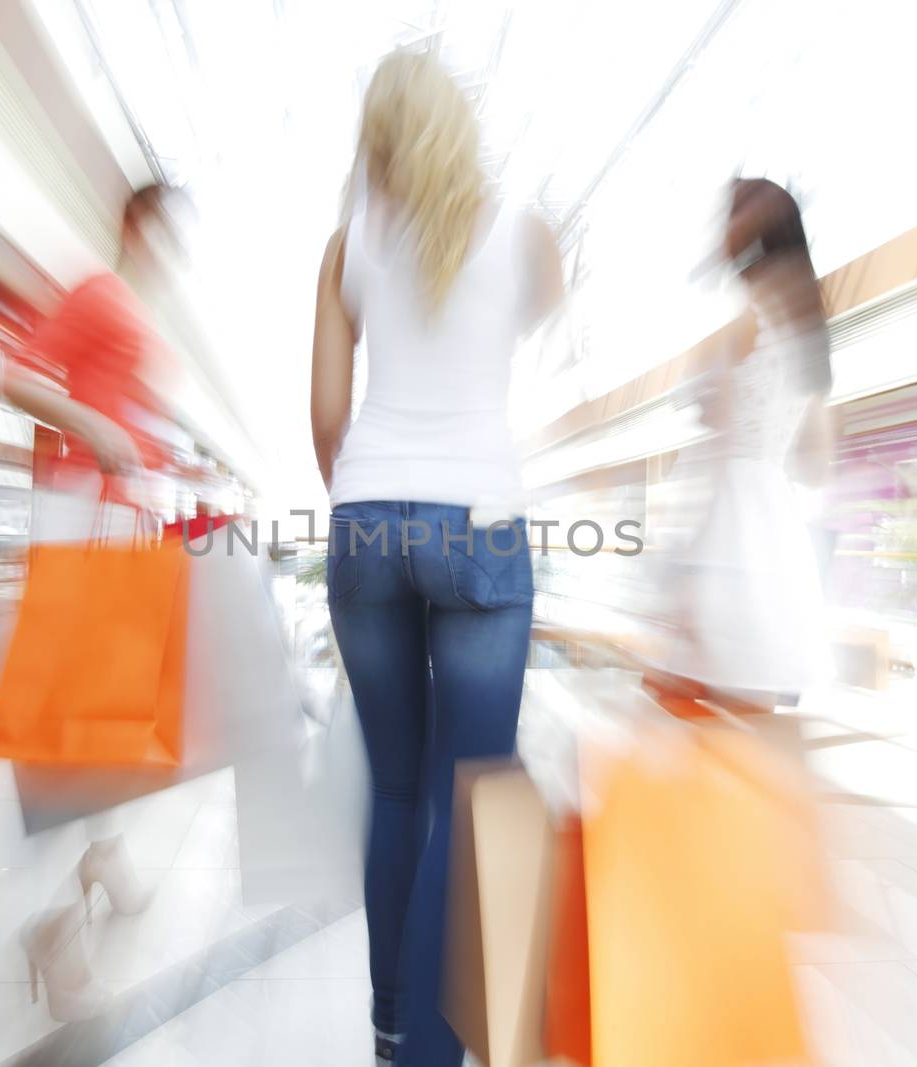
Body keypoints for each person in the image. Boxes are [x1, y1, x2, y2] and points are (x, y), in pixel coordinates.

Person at [310, 50, 564, 1067]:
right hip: (479, 522)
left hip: (366, 514)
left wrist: (370, 512)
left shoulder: (345, 248)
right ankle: (428, 1049)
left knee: (400, 790)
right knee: (472, 798)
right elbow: (539, 311)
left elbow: (327, 412)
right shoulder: (523, 232)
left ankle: (389, 1025)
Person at [0, 183, 182, 1022]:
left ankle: (101, 853)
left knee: (101, 717)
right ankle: (53, 926)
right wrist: (97, 429)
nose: (178, 251)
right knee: (73, 724)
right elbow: (16, 376)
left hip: (114, 525)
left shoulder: (136, 313)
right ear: (138, 225)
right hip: (80, 517)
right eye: (170, 231)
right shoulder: (99, 293)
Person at [644, 177, 835, 716]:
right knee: (751, 742)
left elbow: (715, 459)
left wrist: (680, 580)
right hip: (778, 540)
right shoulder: (807, 331)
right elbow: (817, 463)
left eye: (727, 215)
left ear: (751, 231)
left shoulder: (742, 326)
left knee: (691, 734)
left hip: (726, 536)